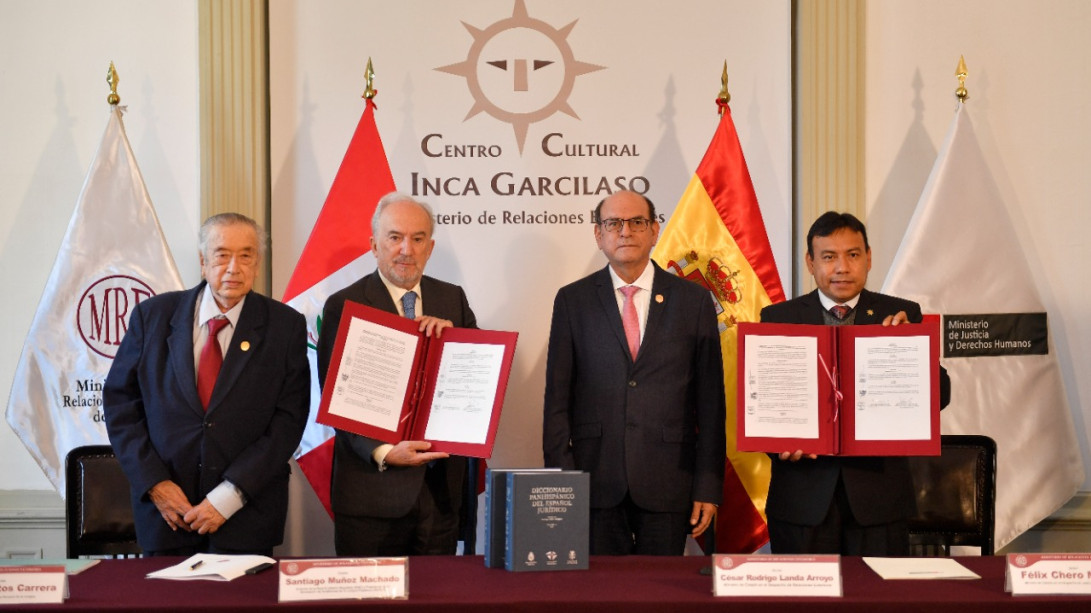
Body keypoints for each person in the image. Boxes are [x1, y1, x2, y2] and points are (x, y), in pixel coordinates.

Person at [104, 213, 310, 556]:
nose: (233, 268)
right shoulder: (152, 316)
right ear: (203, 262)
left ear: (257, 263)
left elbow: (289, 421)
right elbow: (120, 405)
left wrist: (229, 496)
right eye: (221, 255)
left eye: (246, 255)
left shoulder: (284, 326)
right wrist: (155, 484)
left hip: (247, 515)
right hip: (167, 515)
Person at [542, 190, 726, 556]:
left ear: (655, 230)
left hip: (669, 481)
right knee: (602, 597)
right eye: (613, 223)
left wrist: (707, 485)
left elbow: (710, 403)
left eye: (637, 222)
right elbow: (556, 402)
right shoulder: (572, 300)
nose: (625, 231)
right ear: (599, 235)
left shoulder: (693, 301)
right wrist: (564, 487)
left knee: (662, 598)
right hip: (594, 483)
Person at [760, 211, 951, 556]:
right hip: (802, 499)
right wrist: (778, 444)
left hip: (878, 499)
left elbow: (940, 397)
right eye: (829, 257)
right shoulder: (779, 318)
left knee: (878, 603)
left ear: (869, 258)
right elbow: (764, 403)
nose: (842, 268)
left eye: (853, 255)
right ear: (810, 262)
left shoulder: (901, 314)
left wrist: (910, 347)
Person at [317, 192, 477, 556]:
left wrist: (453, 341)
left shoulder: (453, 299)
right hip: (370, 500)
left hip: (439, 499)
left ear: (430, 246)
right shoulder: (344, 304)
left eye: (418, 238)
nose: (407, 249)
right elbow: (335, 397)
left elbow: (474, 388)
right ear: (374, 245)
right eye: (395, 237)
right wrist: (385, 452)